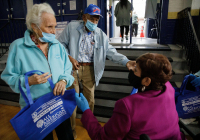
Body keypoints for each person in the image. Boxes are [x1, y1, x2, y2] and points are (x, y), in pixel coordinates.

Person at [58, 4, 135, 139]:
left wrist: (126, 61)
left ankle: (88, 122)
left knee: (90, 99)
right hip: (72, 68)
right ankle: (71, 131)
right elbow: (61, 44)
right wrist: (69, 57)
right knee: (72, 99)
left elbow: (111, 52)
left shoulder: (100, 34)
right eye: (91, 18)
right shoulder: (72, 27)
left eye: (96, 20)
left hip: (90, 69)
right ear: (84, 17)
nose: (94, 22)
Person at [1, 3, 74, 140]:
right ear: (34, 26)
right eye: (49, 27)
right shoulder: (18, 47)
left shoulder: (57, 45)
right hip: (36, 108)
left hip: (58, 103)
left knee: (67, 137)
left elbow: (67, 67)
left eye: (55, 26)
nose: (54, 31)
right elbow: (9, 76)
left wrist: (64, 80)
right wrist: (27, 81)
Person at [75, 53, 185, 140]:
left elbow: (102, 137)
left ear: (146, 81)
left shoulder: (126, 106)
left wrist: (86, 110)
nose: (131, 70)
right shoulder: (168, 87)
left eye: (136, 70)